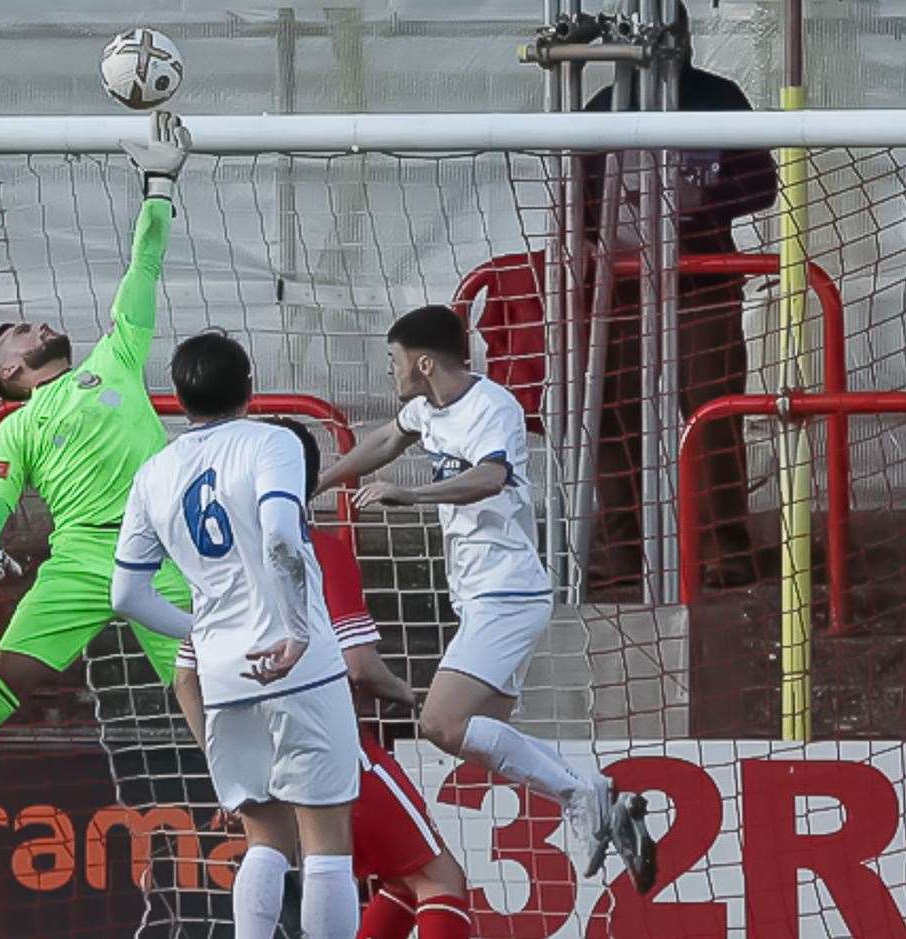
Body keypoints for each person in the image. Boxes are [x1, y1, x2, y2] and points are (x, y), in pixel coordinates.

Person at [315, 305, 656, 894]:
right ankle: (599, 798)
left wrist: (412, 496)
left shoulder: (493, 406)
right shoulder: (426, 408)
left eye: (394, 361)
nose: (390, 372)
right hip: (478, 597)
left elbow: (491, 478)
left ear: (423, 362)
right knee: (478, 737)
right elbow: (386, 439)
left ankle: (586, 793)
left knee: (440, 724)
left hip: (508, 591)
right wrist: (318, 481)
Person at [0, 111, 194, 785]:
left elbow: (144, 267)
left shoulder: (116, 356)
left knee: (213, 689)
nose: (38, 323)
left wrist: (158, 184)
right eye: (19, 330)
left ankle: (265, 816)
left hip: (158, 546)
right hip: (77, 559)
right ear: (10, 371)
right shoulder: (12, 427)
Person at [174, 417, 473, 939]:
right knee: (438, 877)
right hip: (326, 741)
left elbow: (185, 678)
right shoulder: (316, 550)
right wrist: (413, 695)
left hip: (245, 739)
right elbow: (359, 667)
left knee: (304, 858)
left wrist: (222, 768)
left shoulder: (218, 566)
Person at [112, 333, 362, 939]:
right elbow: (280, 534)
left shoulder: (154, 472)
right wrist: (297, 630)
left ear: (178, 397)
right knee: (326, 838)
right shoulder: (272, 441)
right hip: (296, 660)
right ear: (249, 387)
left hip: (221, 669)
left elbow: (126, 596)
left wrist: (205, 629)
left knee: (264, 835)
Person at [582, 0, 778, 589]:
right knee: (612, 417)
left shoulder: (718, 97)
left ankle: (725, 548)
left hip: (702, 285)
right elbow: (580, 200)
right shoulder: (602, 109)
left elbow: (761, 183)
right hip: (618, 294)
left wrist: (699, 200)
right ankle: (620, 554)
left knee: (711, 416)